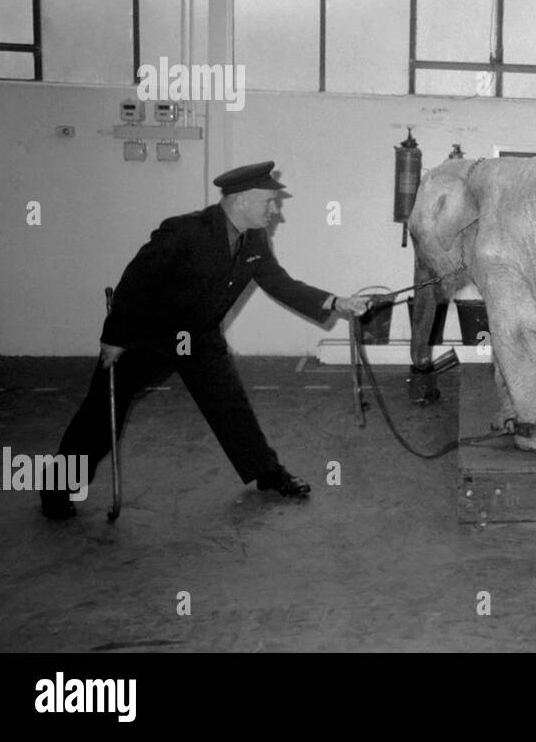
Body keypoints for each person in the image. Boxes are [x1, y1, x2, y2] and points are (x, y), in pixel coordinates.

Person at [41, 162, 371, 520]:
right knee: (100, 416)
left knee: (231, 407)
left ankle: (267, 473)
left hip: (198, 337)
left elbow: (279, 283)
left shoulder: (254, 239)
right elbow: (136, 281)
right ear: (243, 200)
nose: (276, 211)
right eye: (271, 202)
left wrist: (336, 302)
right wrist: (114, 337)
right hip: (147, 336)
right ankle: (56, 490)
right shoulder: (184, 231)